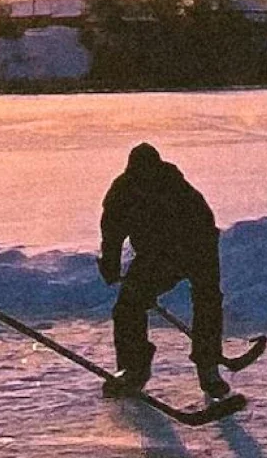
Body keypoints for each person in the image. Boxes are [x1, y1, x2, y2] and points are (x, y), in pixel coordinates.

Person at [99, 142, 231, 401]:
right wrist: (111, 265)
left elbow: (204, 227)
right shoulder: (122, 191)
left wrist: (202, 272)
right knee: (127, 308)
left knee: (207, 300)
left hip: (194, 248)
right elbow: (112, 232)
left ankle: (208, 368)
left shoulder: (178, 189)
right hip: (154, 257)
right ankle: (134, 368)